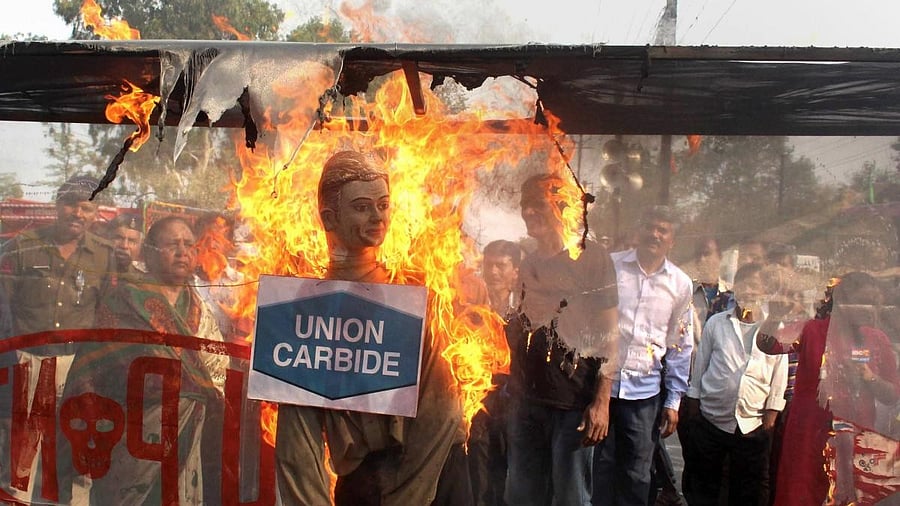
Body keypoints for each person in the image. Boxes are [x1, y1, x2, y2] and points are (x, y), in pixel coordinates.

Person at [274, 150, 470, 506]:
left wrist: (406, 497)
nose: (378, 217)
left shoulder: (416, 294)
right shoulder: (302, 308)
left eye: (383, 204)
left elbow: (442, 410)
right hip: (363, 481)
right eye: (362, 207)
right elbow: (296, 444)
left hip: (435, 476)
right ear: (329, 217)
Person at [62, 216, 228, 504]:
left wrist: (203, 393)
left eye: (189, 244)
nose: (182, 252)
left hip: (188, 437)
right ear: (149, 251)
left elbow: (216, 369)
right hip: (130, 438)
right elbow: (94, 366)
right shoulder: (124, 300)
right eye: (172, 244)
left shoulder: (200, 310)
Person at [505, 173, 619, 506]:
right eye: (524, 205)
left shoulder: (592, 258)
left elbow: (610, 333)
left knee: (571, 498)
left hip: (573, 405)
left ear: (561, 207)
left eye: (537, 205)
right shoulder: (529, 262)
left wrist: (602, 401)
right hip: (527, 402)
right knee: (522, 496)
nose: (528, 212)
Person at [758, 272, 900, 505]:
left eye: (876, 303)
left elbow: (892, 395)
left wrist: (869, 378)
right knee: (799, 496)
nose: (871, 309)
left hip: (855, 441)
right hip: (808, 437)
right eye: (864, 301)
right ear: (842, 302)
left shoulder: (878, 339)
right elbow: (768, 345)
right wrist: (773, 317)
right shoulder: (811, 330)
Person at [593, 205, 693, 506]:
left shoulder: (680, 284)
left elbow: (680, 345)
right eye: (650, 227)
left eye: (663, 230)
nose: (655, 234)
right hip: (602, 389)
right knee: (599, 469)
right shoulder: (610, 266)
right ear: (639, 231)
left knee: (637, 476)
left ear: (672, 240)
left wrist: (673, 401)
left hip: (644, 395)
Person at [681, 262, 788, 505]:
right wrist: (694, 405)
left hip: (752, 423)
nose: (749, 291)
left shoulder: (775, 328)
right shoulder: (717, 323)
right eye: (744, 285)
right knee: (707, 484)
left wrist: (771, 414)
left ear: (764, 292)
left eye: (755, 286)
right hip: (712, 419)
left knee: (747, 488)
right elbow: (700, 367)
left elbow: (779, 374)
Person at [0, 174, 115, 338]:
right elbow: (3, 304)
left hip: (77, 358)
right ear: (57, 205)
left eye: (86, 208)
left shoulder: (104, 254)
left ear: (95, 214)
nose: (78, 213)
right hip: (25, 355)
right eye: (70, 205)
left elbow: (105, 310)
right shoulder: (23, 245)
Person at [469, 239, 522, 506]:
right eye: (488, 265)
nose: (493, 272)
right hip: (480, 392)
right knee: (478, 455)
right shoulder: (473, 304)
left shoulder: (526, 308)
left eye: (501, 266)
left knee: (509, 459)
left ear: (515, 271)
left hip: (515, 396)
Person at [107, 213, 145, 281]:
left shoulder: (144, 275)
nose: (124, 246)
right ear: (108, 238)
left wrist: (128, 268)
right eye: (119, 238)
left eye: (131, 241)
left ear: (140, 245)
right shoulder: (97, 263)